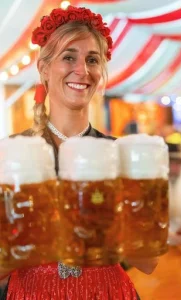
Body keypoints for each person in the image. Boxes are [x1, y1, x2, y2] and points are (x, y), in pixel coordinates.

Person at [1, 6, 157, 299]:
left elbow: (148, 262)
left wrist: (113, 221)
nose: (82, 70)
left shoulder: (121, 154)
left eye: (92, 60)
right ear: (44, 68)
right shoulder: (10, 154)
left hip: (108, 292)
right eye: (69, 57)